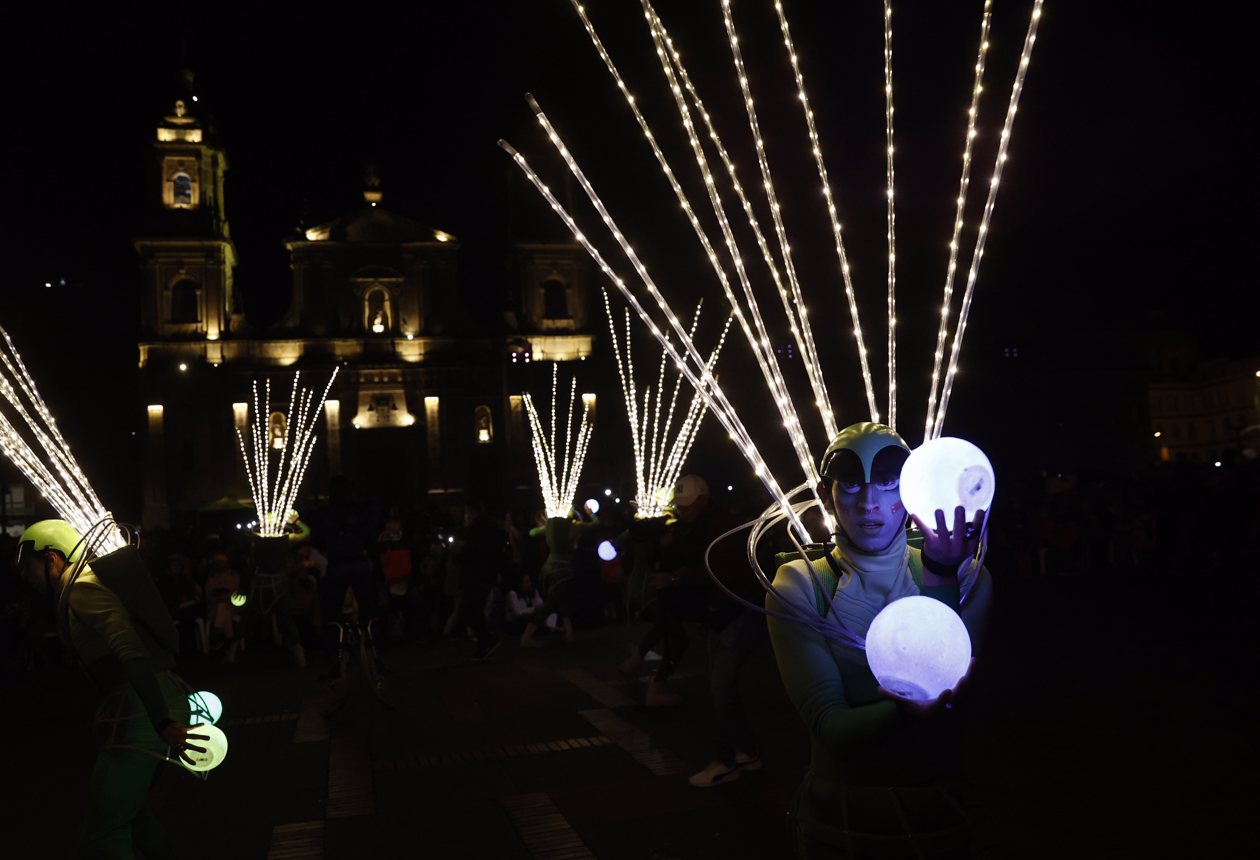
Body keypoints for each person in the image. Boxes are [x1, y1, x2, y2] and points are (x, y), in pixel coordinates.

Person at [766, 423, 993, 858]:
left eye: (889, 482)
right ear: (826, 491)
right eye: (850, 483)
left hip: (937, 818)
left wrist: (941, 574)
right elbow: (829, 725)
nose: (869, 503)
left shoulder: (968, 578)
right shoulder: (797, 584)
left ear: (911, 487)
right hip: (841, 822)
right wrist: (906, 711)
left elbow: (949, 691)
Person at [16, 519, 208, 858]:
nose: (24, 576)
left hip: (142, 711)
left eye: (27, 565)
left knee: (103, 832)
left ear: (51, 558)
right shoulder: (76, 587)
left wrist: (161, 721)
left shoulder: (80, 587)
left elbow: (130, 649)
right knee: (135, 817)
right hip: (145, 704)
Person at [520, 510, 597, 648]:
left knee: (561, 600)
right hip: (563, 571)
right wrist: (590, 513)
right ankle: (526, 637)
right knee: (551, 603)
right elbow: (595, 524)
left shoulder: (551, 525)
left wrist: (545, 526)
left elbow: (532, 533)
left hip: (549, 569)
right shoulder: (574, 526)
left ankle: (569, 633)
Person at [458, 498, 508, 660]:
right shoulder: (489, 527)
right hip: (484, 573)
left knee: (470, 609)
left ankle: (486, 640)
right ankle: (486, 641)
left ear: (472, 511)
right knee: (475, 609)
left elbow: (472, 551)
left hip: (477, 574)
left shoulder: (476, 529)